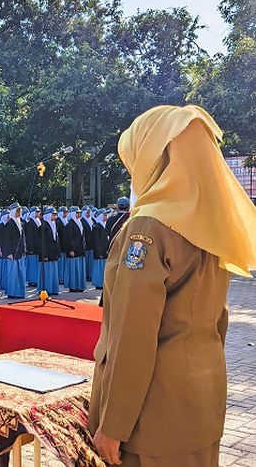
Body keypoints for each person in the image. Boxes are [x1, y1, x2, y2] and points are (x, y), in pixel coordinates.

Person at [89, 105, 256, 467]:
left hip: (150, 420)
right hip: (200, 405)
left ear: (154, 157)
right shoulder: (210, 227)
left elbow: (133, 336)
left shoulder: (148, 229)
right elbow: (218, 322)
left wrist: (114, 425)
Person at [0, 203, 26, 299]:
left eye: (20, 211)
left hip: (20, 253)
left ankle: (20, 292)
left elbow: (23, 238)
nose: (19, 213)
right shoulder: (9, 224)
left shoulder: (21, 223)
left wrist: (24, 249)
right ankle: (12, 293)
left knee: (20, 273)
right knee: (13, 274)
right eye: (17, 211)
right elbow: (6, 240)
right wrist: (8, 253)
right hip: (12, 254)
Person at [64, 206, 87, 292]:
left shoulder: (79, 222)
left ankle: (80, 286)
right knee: (73, 269)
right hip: (73, 250)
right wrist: (71, 249)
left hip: (80, 249)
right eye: (77, 213)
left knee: (80, 269)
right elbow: (69, 238)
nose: (78, 215)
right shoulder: (69, 224)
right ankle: (73, 286)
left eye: (79, 213)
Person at [38, 207, 60, 295]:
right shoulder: (43, 226)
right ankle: (46, 290)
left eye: (55, 215)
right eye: (53, 215)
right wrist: (45, 255)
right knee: (47, 272)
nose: (54, 217)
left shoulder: (54, 225)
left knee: (53, 273)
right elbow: (42, 242)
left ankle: (53, 289)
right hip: (47, 254)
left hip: (53, 253)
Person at [91, 210, 110, 290]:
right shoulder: (97, 227)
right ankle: (98, 283)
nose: (106, 217)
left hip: (105, 250)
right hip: (99, 251)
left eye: (106, 215)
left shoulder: (104, 225)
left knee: (103, 268)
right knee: (98, 268)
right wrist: (99, 252)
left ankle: (102, 283)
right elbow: (96, 241)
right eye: (104, 215)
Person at [24, 206, 42, 287]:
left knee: (36, 265)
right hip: (32, 248)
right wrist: (30, 248)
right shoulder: (30, 222)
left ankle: (36, 279)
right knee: (32, 265)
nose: (39, 213)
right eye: (37, 212)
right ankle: (32, 280)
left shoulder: (38, 221)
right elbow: (29, 236)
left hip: (38, 247)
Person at [56, 206, 69, 285]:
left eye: (66, 212)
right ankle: (60, 278)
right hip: (60, 245)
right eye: (64, 212)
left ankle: (64, 277)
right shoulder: (58, 221)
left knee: (65, 263)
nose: (66, 214)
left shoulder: (66, 221)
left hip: (66, 246)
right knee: (60, 263)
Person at [81, 206, 95, 282]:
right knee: (86, 261)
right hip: (86, 244)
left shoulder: (92, 220)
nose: (89, 214)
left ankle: (90, 275)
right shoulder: (82, 221)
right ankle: (86, 275)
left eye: (89, 212)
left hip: (92, 244)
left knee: (91, 261)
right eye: (87, 212)